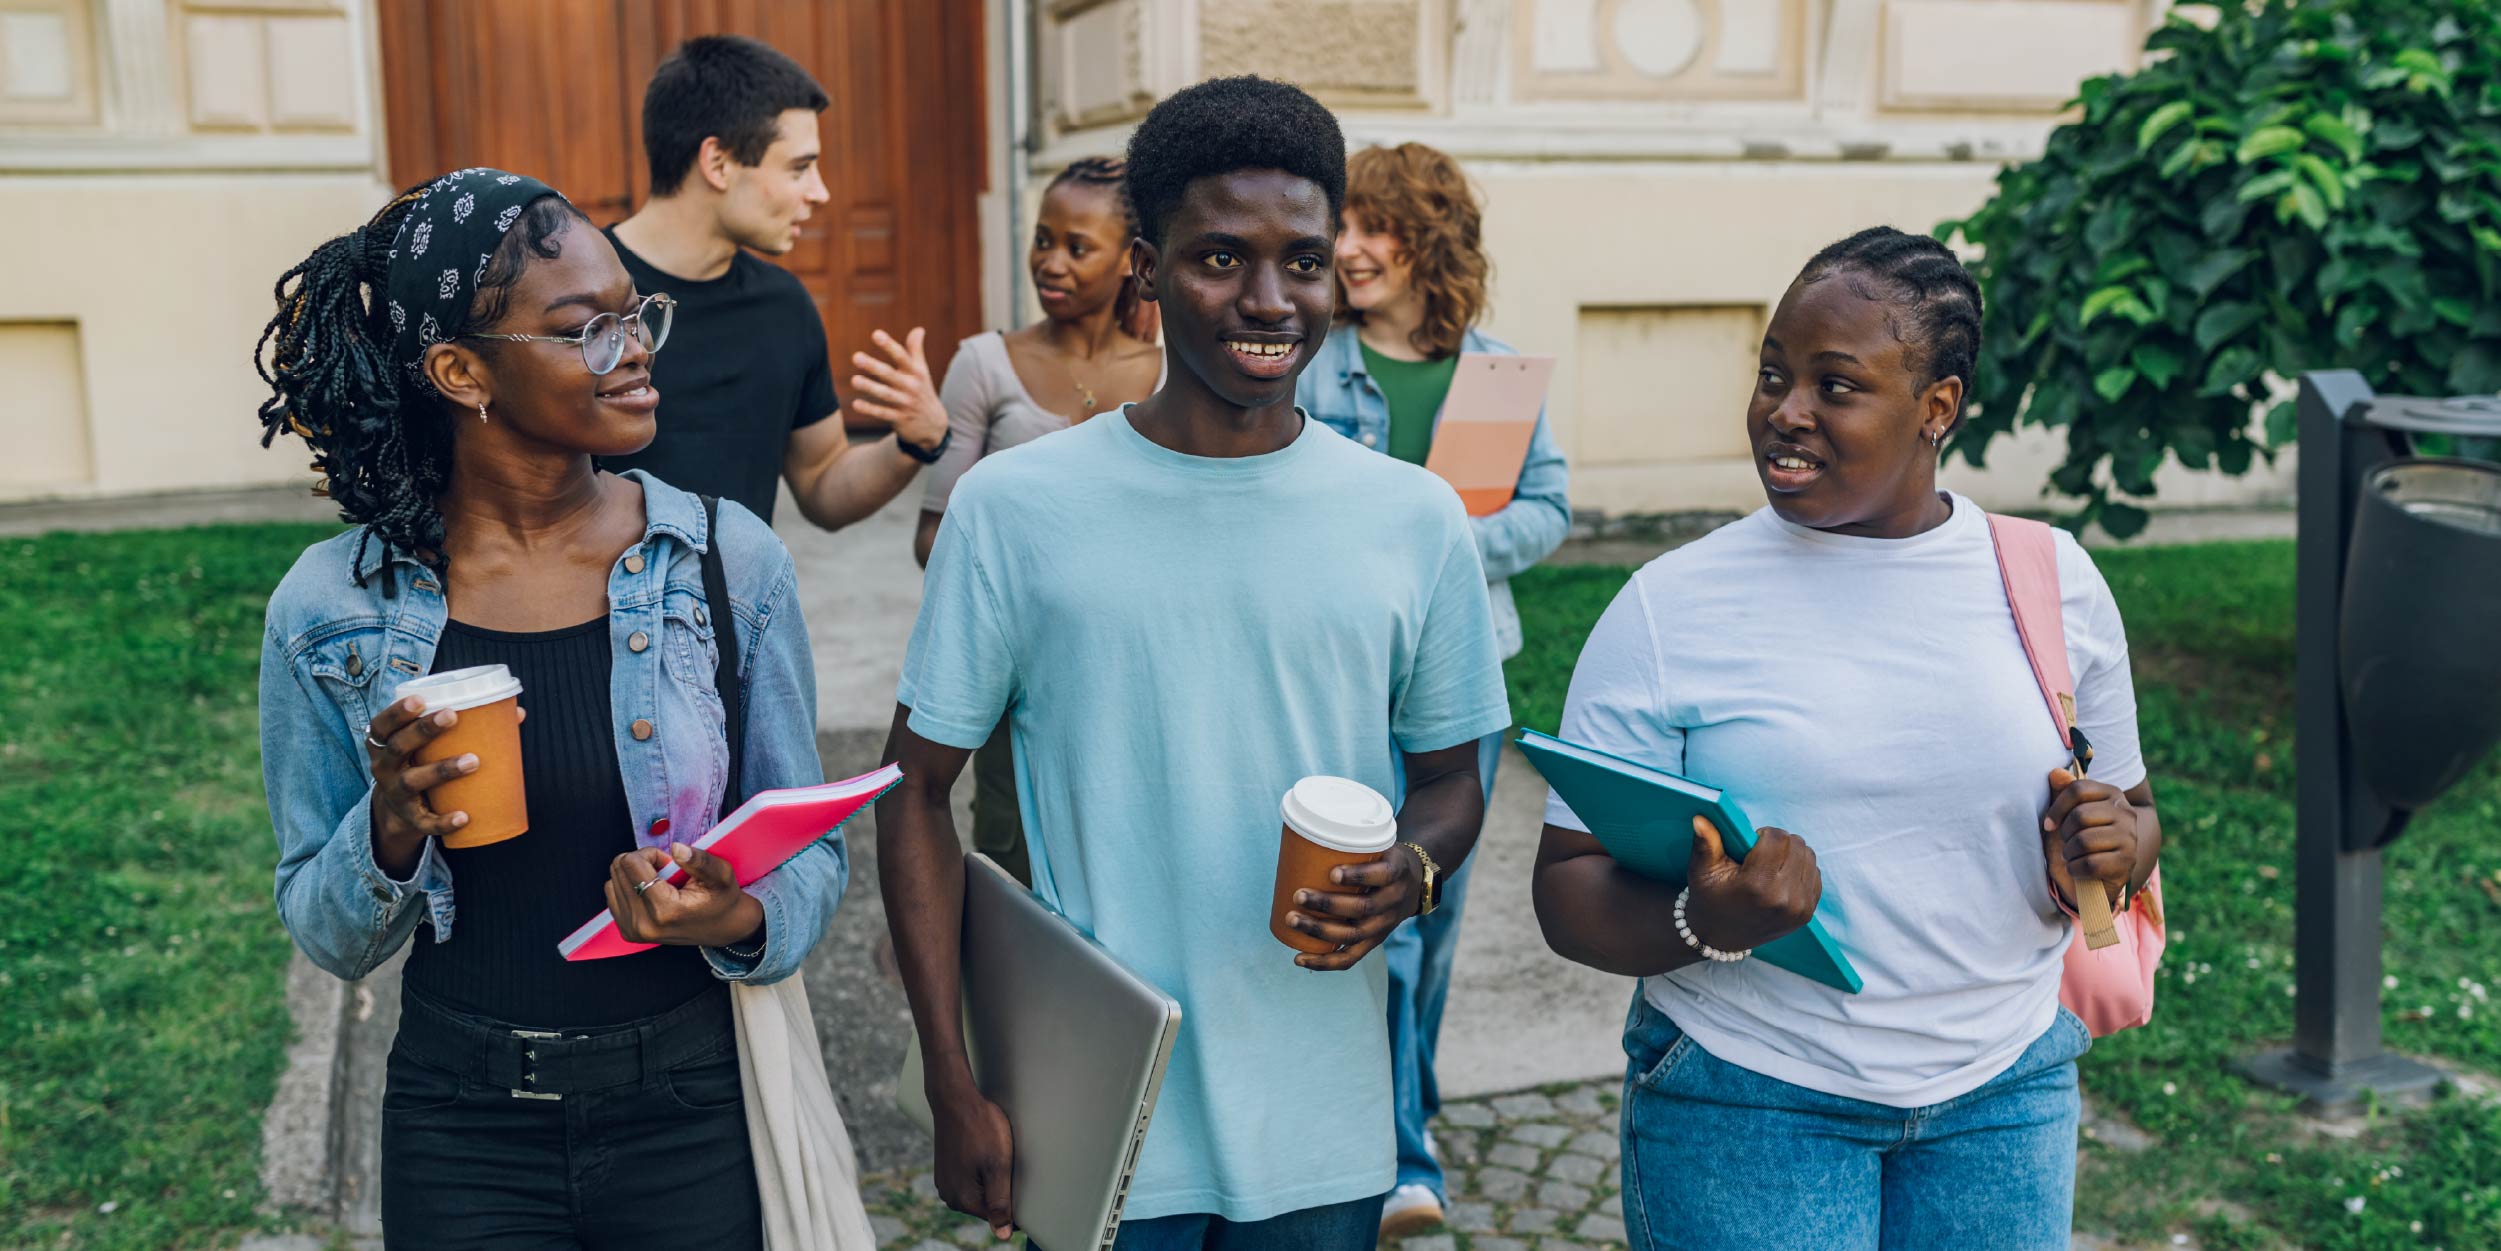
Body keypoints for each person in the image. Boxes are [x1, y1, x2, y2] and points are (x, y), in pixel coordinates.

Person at [875, 77, 1512, 1250]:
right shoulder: (1015, 509)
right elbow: (914, 792)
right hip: (1100, 1113)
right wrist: (952, 1080)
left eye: (1303, 260)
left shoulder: (1411, 517)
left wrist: (1411, 872)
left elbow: (1453, 781)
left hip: (1325, 1121)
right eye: (1220, 259)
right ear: (1145, 271)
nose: (1269, 300)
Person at [1531, 226, 2162, 1251]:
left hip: (2005, 1092)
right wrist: (1706, 919)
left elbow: (2131, 813)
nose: (1785, 410)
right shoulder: (1669, 607)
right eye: (1772, 374)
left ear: (1936, 408)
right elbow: (1565, 888)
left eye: (1834, 386)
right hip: (1750, 1096)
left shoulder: (2051, 580)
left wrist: (2116, 847)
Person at [255, 168, 845, 1248]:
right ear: (458, 370)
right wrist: (388, 826)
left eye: (635, 313)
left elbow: (807, 850)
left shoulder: (722, 562)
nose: (636, 350)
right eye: (585, 330)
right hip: (462, 1121)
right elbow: (327, 931)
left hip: (689, 1105)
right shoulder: (333, 609)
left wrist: (733, 913)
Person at [1295, 140, 1569, 1238]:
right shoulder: (1313, 364)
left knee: (1436, 914)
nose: (1348, 250)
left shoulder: (1496, 373)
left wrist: (1447, 540)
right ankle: (1401, 1153)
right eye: (1342, 228)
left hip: (1459, 680)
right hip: (1345, 679)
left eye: (1374, 229)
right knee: (1387, 910)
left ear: (1427, 245)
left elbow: (1548, 507)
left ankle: (1410, 1094)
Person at [858, 156, 1165, 885]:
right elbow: (935, 540)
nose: (1049, 263)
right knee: (1016, 861)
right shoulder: (984, 364)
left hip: (1138, 678)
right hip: (1017, 684)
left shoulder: (1170, 374)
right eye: (1041, 239)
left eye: (1077, 246)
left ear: (1132, 261)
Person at [600, 34, 950, 528]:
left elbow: (824, 484)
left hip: (738, 605)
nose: (820, 192)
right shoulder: (576, 297)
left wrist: (914, 444)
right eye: (800, 168)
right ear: (718, 164)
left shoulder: (785, 307)